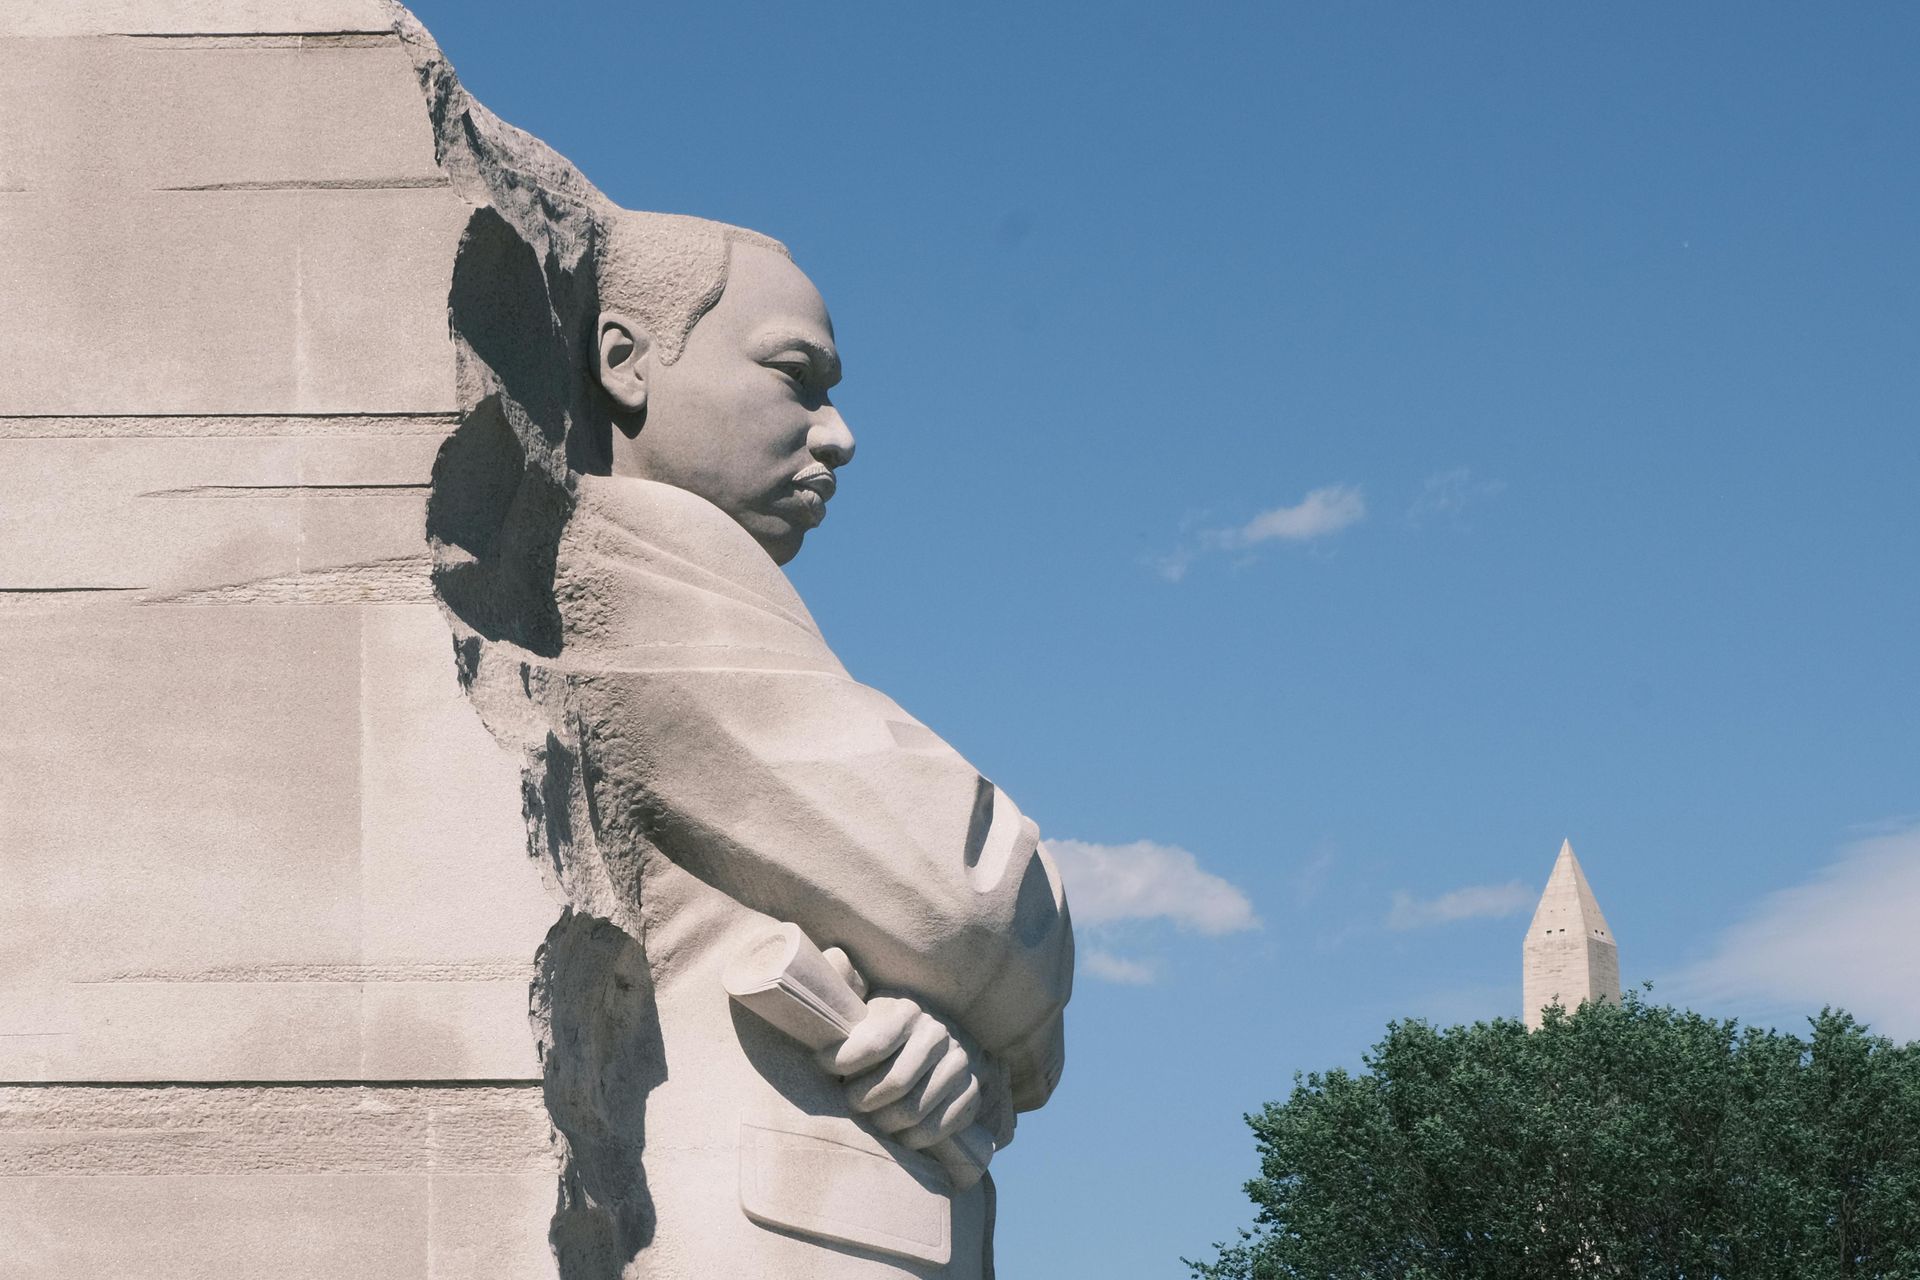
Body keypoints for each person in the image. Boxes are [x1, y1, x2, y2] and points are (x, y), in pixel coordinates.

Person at [498, 207, 1073, 1278]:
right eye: (796, 377)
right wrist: (978, 995)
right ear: (624, 362)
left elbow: (988, 996)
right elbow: (968, 901)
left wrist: (958, 1044)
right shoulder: (633, 573)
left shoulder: (715, 597)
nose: (838, 432)